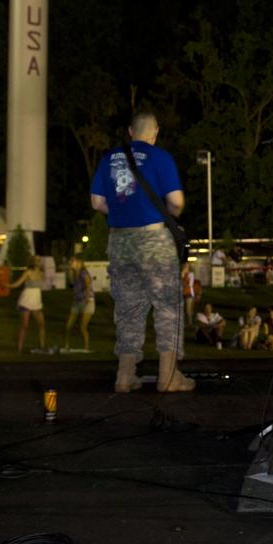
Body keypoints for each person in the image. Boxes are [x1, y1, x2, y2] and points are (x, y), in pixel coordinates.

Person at [91, 112, 193, 392]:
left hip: (119, 240)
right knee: (167, 306)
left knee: (127, 308)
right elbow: (176, 202)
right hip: (152, 240)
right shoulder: (160, 157)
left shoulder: (108, 158)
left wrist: (124, 214)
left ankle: (125, 375)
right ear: (155, 131)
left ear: (129, 131)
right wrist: (164, 214)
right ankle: (168, 375)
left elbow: (97, 202)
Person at [7, 256, 47, 352]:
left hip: (36, 303)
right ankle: (19, 349)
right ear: (33, 262)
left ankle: (42, 347)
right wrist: (7, 285)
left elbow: (42, 287)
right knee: (24, 326)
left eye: (39, 260)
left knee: (41, 324)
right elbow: (18, 283)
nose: (39, 261)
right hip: (26, 301)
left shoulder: (41, 273)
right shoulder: (28, 272)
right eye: (37, 260)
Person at [63, 256, 94, 351]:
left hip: (87, 302)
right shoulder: (74, 273)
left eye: (72, 261)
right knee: (68, 325)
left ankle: (86, 348)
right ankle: (66, 346)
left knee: (83, 326)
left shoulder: (83, 272)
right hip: (77, 302)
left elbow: (88, 284)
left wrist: (87, 296)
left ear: (78, 262)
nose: (70, 263)